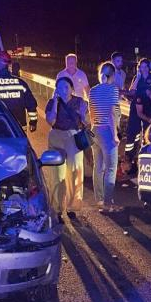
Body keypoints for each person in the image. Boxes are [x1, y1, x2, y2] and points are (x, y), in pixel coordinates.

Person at [45, 76, 89, 220]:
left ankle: (72, 207)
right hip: (56, 136)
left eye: (66, 87)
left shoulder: (80, 102)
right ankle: (57, 208)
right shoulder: (52, 102)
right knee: (57, 175)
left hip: (73, 137)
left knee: (74, 173)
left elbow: (85, 122)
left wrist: (82, 115)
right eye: (59, 87)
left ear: (72, 89)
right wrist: (55, 102)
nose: (63, 90)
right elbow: (51, 121)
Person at [89, 62, 122, 212]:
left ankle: (100, 200)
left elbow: (91, 111)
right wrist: (115, 135)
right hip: (107, 131)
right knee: (111, 168)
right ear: (112, 75)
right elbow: (112, 114)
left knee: (98, 167)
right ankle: (108, 203)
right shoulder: (113, 89)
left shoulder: (93, 90)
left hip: (95, 129)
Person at [0, 51, 38, 132]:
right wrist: (33, 122)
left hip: (0, 128)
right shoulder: (21, 83)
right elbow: (31, 104)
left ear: (0, 63)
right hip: (19, 128)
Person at [123, 82, 151, 178]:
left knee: (148, 138)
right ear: (149, 92)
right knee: (132, 138)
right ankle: (128, 160)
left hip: (148, 116)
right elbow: (139, 113)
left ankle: (144, 160)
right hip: (136, 118)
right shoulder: (140, 95)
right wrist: (149, 119)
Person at [125, 58, 151, 149]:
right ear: (139, 68)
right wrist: (138, 78)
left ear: (149, 67)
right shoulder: (137, 77)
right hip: (137, 105)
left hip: (149, 106)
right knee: (134, 127)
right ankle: (132, 150)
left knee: (148, 128)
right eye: (142, 67)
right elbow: (132, 90)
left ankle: (145, 147)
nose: (144, 69)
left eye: (146, 66)